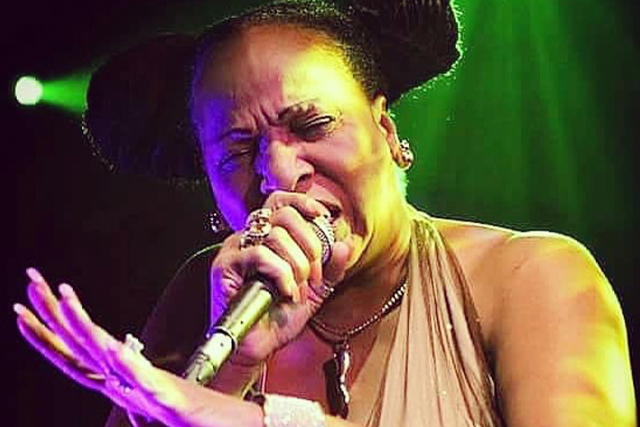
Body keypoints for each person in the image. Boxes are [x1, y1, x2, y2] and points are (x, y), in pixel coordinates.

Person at [13, 1, 636, 426]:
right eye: (236, 151)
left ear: (386, 131)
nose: (280, 173)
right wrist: (231, 369)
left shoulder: (532, 276)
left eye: (312, 124)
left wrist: (259, 421)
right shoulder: (198, 297)